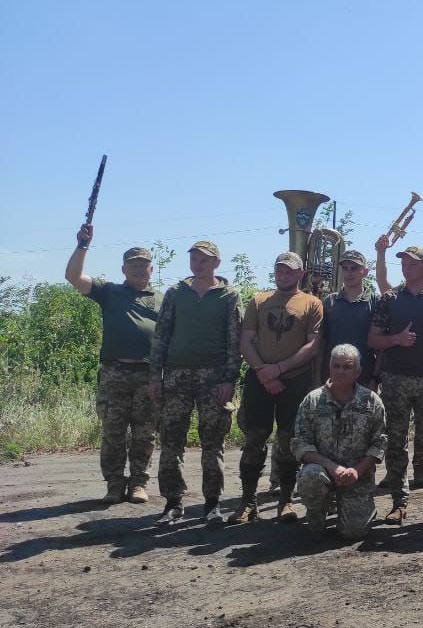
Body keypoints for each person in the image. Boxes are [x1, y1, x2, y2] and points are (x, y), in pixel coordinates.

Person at [65, 225, 161, 504]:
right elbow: (73, 276)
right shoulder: (109, 292)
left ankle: (139, 483)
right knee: (113, 431)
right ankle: (115, 484)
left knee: (145, 433)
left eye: (143, 265)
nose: (138, 269)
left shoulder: (164, 300)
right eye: (133, 265)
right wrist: (83, 245)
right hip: (115, 372)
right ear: (123, 269)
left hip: (148, 373)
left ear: (151, 270)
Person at [150, 241, 242, 525]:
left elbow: (234, 340)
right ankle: (173, 503)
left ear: (216, 262)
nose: (197, 264)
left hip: (213, 377)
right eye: (193, 259)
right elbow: (161, 334)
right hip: (176, 376)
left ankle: (212, 504)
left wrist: (229, 379)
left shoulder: (228, 295)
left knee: (213, 443)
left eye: (203, 260)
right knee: (170, 441)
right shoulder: (176, 293)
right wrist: (156, 375)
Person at [229, 252, 324, 525]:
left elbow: (313, 345)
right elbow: (246, 341)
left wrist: (280, 369)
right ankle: (248, 502)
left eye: (289, 271)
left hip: (295, 381)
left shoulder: (312, 303)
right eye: (279, 270)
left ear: (300, 273)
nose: (283, 275)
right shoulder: (259, 300)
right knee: (254, 441)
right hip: (260, 380)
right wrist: (264, 372)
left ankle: (285, 501)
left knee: (287, 442)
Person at [368, 245, 423, 525]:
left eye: (412, 262)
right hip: (395, 380)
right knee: (396, 444)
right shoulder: (389, 299)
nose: (406, 266)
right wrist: (396, 340)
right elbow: (373, 339)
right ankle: (398, 503)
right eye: (404, 262)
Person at [293, 344, 387, 541]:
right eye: (336, 366)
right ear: (330, 368)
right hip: (322, 471)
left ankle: (358, 508)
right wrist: (332, 467)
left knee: (354, 533)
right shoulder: (312, 400)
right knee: (310, 476)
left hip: (356, 475)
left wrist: (356, 471)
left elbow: (379, 444)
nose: (340, 371)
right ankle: (317, 513)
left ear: (358, 371)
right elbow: (301, 444)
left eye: (347, 367)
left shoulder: (372, 401)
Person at [321, 250, 378, 387]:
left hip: (363, 376)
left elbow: (380, 347)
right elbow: (321, 342)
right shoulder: (330, 301)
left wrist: (375, 378)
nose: (348, 272)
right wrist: (317, 378)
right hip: (332, 377)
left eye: (354, 268)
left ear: (365, 271)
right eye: (345, 268)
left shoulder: (375, 301)